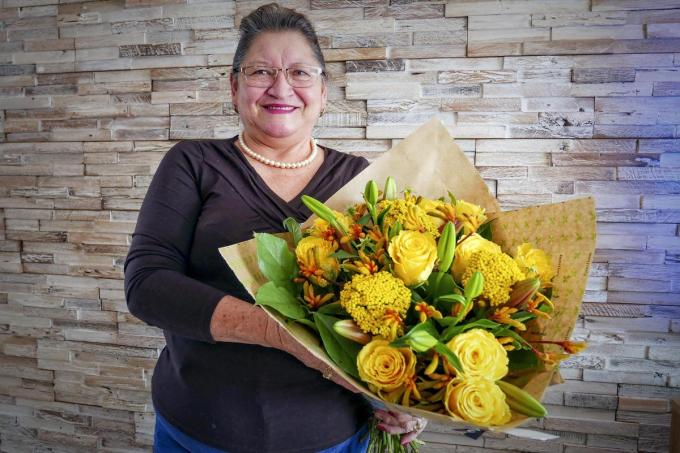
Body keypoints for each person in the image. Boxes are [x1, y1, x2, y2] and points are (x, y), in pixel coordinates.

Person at [124, 3, 425, 452]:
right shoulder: (193, 163)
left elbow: (400, 304)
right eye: (260, 71)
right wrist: (278, 333)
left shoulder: (360, 179)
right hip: (196, 431)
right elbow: (147, 285)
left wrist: (409, 391)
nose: (281, 87)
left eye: (301, 73)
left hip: (335, 436)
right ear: (234, 86)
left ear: (324, 92)